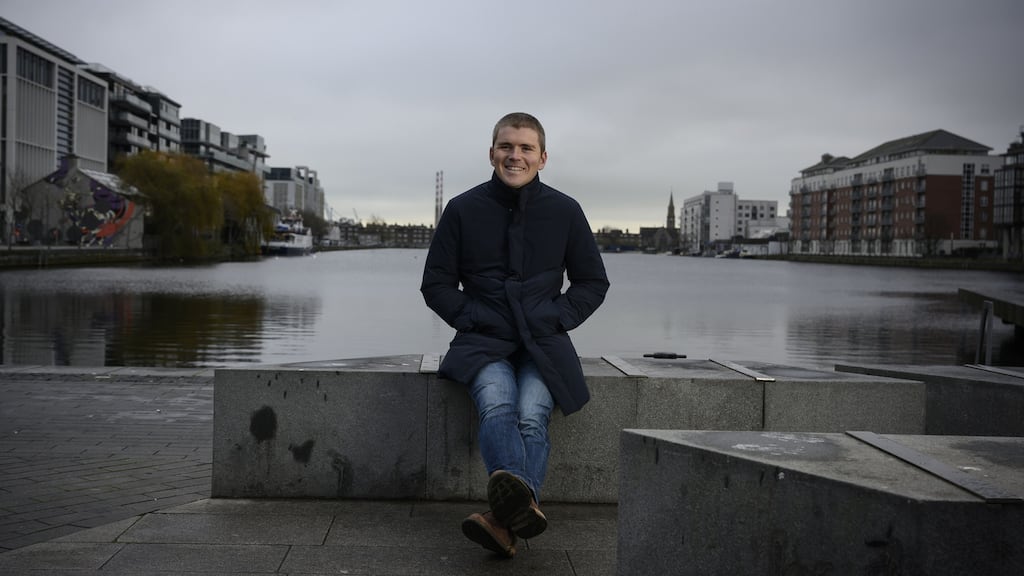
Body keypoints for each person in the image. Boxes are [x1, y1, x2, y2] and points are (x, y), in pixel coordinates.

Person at [420, 112, 610, 558]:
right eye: (507, 146)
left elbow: (592, 283)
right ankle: (521, 511)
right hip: (483, 341)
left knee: (531, 413)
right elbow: (436, 285)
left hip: (544, 342)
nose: (515, 156)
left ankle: (501, 522)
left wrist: (555, 318)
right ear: (492, 153)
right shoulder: (463, 209)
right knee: (499, 403)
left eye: (525, 148)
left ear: (542, 158)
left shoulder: (566, 210)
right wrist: (472, 317)